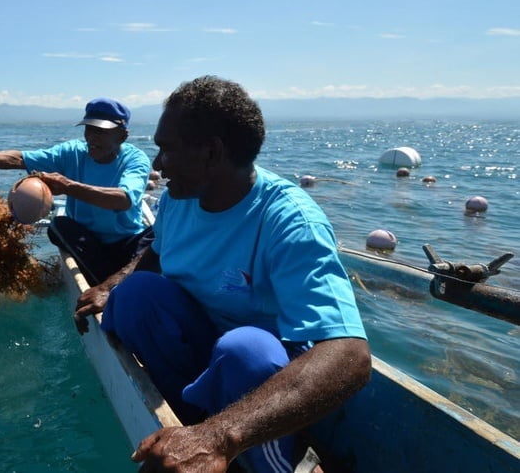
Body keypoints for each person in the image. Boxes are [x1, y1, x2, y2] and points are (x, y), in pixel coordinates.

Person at [74, 76, 371, 473]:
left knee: (244, 351)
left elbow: (351, 356)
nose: (158, 164)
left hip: (263, 376)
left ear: (211, 153)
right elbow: (155, 255)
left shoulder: (289, 220)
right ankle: (184, 429)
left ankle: (280, 460)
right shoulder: (177, 200)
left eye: (167, 149)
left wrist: (219, 438)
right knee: (135, 295)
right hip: (204, 352)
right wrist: (111, 286)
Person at [0, 98, 154, 285]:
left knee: (157, 236)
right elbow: (20, 159)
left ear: (122, 135)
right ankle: (112, 284)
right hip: (87, 241)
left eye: (101, 131)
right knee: (58, 226)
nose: (92, 137)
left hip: (126, 240)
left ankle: (109, 282)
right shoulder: (73, 152)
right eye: (89, 129)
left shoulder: (135, 160)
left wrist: (68, 186)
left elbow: (124, 200)